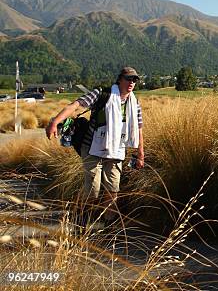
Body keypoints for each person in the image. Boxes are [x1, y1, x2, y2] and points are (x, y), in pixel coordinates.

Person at [46, 67, 145, 225]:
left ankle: (108, 227)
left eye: (135, 80)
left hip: (116, 151)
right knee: (93, 190)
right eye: (129, 78)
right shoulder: (102, 94)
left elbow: (138, 129)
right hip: (92, 147)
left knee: (113, 191)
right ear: (120, 79)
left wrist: (140, 154)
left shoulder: (134, 104)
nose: (132, 82)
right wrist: (55, 122)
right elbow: (75, 105)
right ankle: (82, 221)